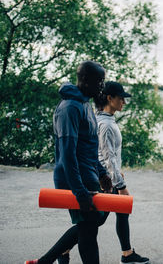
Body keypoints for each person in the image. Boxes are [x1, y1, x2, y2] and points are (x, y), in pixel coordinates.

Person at [25, 61, 113, 264]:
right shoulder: (69, 108)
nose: (101, 86)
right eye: (98, 81)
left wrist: (101, 173)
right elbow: (68, 154)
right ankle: (46, 261)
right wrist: (79, 191)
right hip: (75, 178)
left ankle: (46, 261)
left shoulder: (85, 104)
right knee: (89, 231)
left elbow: (89, 147)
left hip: (88, 174)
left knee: (91, 224)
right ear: (84, 80)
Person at [93, 81, 150, 264]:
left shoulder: (106, 119)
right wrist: (120, 185)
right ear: (110, 98)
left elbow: (108, 154)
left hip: (110, 177)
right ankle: (63, 248)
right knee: (94, 222)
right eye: (121, 98)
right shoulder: (106, 124)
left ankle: (127, 253)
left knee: (121, 212)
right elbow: (107, 157)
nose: (124, 102)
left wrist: (117, 173)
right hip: (106, 181)